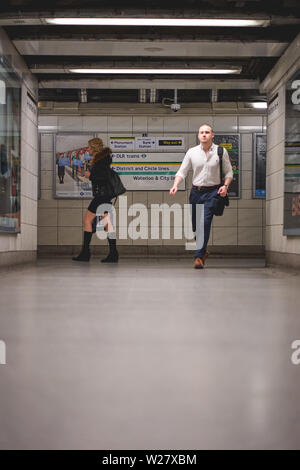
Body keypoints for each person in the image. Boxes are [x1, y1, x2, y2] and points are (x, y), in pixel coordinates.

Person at [170, 124, 233, 269]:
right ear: (198, 135)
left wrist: (225, 186)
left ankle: (198, 257)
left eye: (207, 132)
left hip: (213, 193)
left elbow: (229, 172)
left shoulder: (221, 151)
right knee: (195, 226)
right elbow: (182, 171)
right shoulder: (191, 152)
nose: (204, 134)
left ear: (212, 135)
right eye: (201, 132)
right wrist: (175, 185)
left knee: (204, 223)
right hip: (196, 193)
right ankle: (203, 251)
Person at [72, 137, 119, 263]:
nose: (88, 150)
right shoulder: (103, 159)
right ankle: (113, 253)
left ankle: (85, 253)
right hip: (105, 195)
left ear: (94, 148)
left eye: (89, 147)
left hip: (101, 195)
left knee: (87, 220)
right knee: (107, 223)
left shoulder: (101, 160)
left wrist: (90, 176)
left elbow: (102, 177)